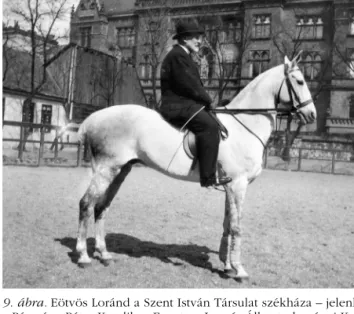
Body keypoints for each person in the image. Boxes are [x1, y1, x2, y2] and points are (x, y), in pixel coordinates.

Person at [159, 20, 232, 188]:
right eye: (195, 38)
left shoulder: (183, 55)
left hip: (185, 103)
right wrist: (208, 101)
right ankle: (208, 177)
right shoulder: (178, 56)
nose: (200, 41)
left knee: (213, 121)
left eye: (200, 37)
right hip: (177, 106)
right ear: (184, 39)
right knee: (209, 126)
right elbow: (190, 85)